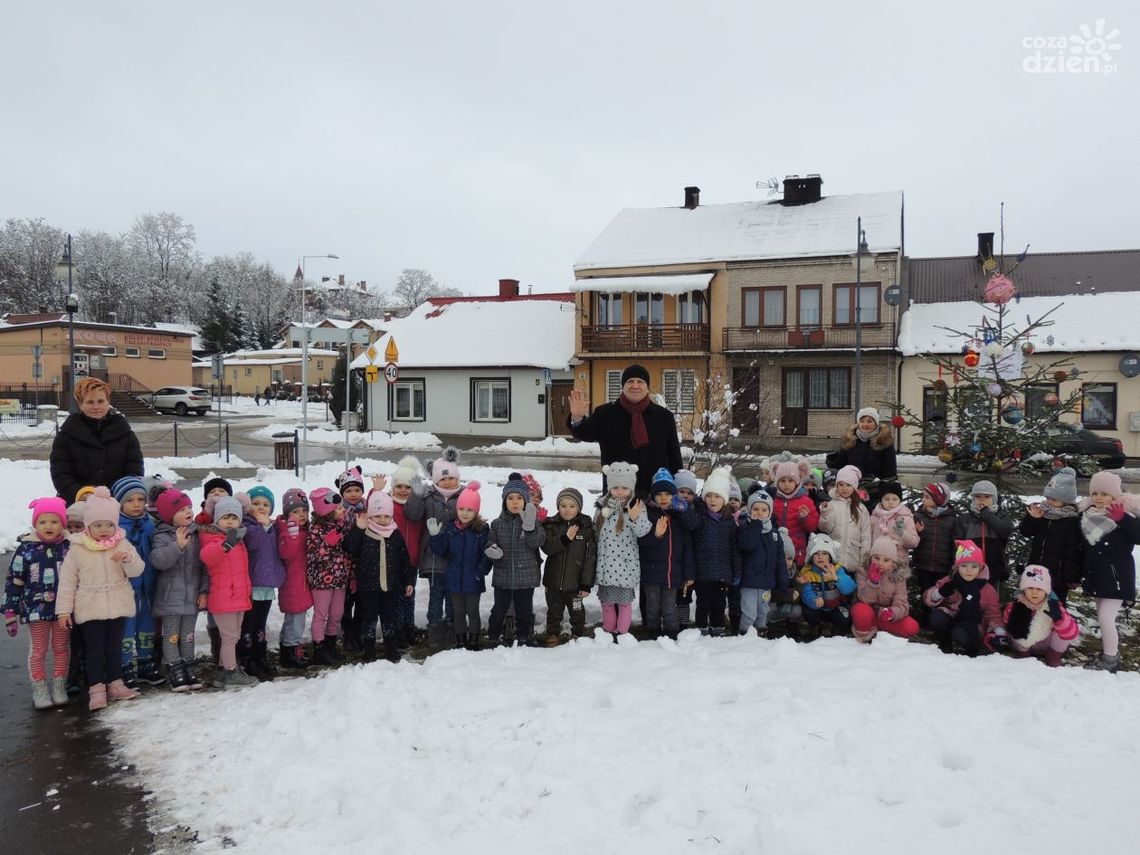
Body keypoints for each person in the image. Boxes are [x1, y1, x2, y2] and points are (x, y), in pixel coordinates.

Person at [56, 487, 146, 711]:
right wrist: (64, 611)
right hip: (90, 606)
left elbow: (138, 570)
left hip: (117, 603)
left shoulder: (122, 543)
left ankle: (116, 683)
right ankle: (96, 688)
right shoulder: (78, 549)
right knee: (95, 649)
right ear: (88, 526)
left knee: (114, 647)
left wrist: (127, 559)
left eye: (109, 525)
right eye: (98, 525)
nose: (104, 530)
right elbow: (67, 581)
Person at [567, 364, 683, 497]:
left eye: (640, 381)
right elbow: (584, 433)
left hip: (657, 495)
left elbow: (674, 456)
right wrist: (577, 417)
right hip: (618, 493)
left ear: (647, 387)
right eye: (630, 381)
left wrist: (679, 487)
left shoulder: (664, 416)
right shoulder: (605, 413)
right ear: (623, 385)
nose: (635, 385)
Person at [5, 497, 71, 709]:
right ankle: (40, 688)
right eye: (43, 522)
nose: (48, 526)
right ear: (35, 524)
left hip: (63, 609)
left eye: (54, 521)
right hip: (36, 610)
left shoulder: (69, 546)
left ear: (63, 523)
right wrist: (10, 612)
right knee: (39, 649)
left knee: (61, 647)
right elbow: (14, 581)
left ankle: (60, 685)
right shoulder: (26, 549)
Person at [1079, 471, 1140, 673]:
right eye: (1095, 493)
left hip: (1118, 579)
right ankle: (1110, 649)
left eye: (1105, 493)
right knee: (1102, 617)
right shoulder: (1086, 516)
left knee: (1106, 618)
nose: (1099, 498)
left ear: (1115, 496)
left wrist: (1123, 519)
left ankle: (1111, 659)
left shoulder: (1126, 515)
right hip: (1096, 578)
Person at [344, 490, 414, 662]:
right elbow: (349, 547)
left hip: (391, 586)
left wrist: (408, 581)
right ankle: (369, 650)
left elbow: (404, 560)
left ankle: (390, 647)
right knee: (369, 618)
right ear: (370, 516)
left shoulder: (395, 534)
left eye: (386, 516)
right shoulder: (365, 533)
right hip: (369, 587)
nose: (382, 520)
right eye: (377, 516)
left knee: (388, 617)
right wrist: (357, 529)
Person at [50, 377, 144, 505]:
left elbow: (134, 471)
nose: (96, 406)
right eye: (90, 402)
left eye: (100, 401)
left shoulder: (125, 434)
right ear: (80, 404)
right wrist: (81, 494)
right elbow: (60, 474)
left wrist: (119, 494)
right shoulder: (66, 436)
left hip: (117, 502)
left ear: (108, 401)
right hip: (79, 504)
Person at [150, 489, 207, 692]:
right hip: (170, 600)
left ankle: (189, 668)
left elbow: (204, 567)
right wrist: (177, 546)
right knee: (172, 636)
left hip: (191, 598)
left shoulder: (197, 534)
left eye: (189, 507)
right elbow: (158, 561)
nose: (188, 511)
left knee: (188, 635)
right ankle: (175, 669)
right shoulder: (162, 536)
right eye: (181, 509)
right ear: (168, 515)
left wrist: (203, 592)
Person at [405, 448, 462, 646]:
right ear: (435, 481)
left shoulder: (463, 497)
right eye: (442, 479)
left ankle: (452, 631)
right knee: (436, 597)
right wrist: (416, 496)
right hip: (433, 558)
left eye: (451, 478)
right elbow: (413, 515)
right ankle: (435, 632)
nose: (447, 482)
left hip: (456, 558)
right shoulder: (428, 497)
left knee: (453, 597)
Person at [199, 497, 257, 689]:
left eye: (234, 517)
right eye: (225, 517)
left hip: (238, 597)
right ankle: (231, 673)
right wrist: (225, 546)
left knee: (233, 636)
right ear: (217, 520)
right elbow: (207, 557)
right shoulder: (213, 538)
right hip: (223, 599)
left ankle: (224, 671)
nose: (230, 521)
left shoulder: (239, 540)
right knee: (230, 637)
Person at [426, 482, 491, 650]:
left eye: (469, 510)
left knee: (473, 612)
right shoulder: (451, 528)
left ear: (476, 511)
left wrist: (480, 572)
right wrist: (434, 536)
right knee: (458, 613)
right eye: (462, 509)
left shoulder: (481, 530)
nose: (465, 513)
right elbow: (441, 549)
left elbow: (487, 554)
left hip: (473, 580)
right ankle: (460, 640)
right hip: (454, 579)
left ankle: (474, 640)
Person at [591, 462, 651, 640]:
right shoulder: (602, 507)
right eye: (615, 487)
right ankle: (609, 630)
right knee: (607, 601)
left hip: (626, 565)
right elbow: (595, 531)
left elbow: (643, 531)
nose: (619, 491)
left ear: (631, 488)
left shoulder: (636, 506)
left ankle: (623, 633)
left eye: (624, 487)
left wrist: (634, 518)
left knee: (624, 602)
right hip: (606, 564)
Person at [111, 476, 161, 687]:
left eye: (141, 499)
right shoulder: (115, 526)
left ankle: (145, 663)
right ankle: (124, 666)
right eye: (130, 500)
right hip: (126, 588)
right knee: (126, 630)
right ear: (120, 502)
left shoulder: (150, 523)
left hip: (147, 586)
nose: (136, 504)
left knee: (146, 627)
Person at [484, 475, 545, 646]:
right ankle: (494, 636)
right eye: (510, 498)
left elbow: (538, 542)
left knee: (524, 610)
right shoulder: (497, 524)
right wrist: (492, 549)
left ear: (526, 501)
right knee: (499, 610)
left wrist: (530, 528)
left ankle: (524, 636)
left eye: (519, 498)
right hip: (503, 576)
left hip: (526, 577)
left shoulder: (533, 522)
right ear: (504, 501)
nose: (515, 502)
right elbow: (490, 542)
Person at [924, 540, 1006, 657]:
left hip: (973, 624)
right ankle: (945, 643)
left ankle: (971, 647)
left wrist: (1000, 632)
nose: (969, 570)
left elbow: (993, 614)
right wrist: (940, 593)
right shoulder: (950, 581)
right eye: (964, 566)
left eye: (974, 566)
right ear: (957, 567)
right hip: (951, 618)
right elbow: (929, 598)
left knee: (960, 634)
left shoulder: (987, 589)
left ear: (980, 568)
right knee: (937, 618)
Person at [637, 470, 694, 640]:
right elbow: (642, 542)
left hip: (672, 574)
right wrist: (656, 535)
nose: (663, 498)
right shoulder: (647, 514)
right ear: (653, 497)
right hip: (651, 572)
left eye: (668, 494)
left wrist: (689, 574)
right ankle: (653, 632)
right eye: (659, 494)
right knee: (652, 606)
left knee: (670, 606)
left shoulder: (679, 517)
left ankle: (671, 632)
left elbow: (687, 549)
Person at [239, 486, 286, 679]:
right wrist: (263, 526)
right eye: (256, 503)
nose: (261, 507)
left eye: (266, 504)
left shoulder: (272, 527)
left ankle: (260, 655)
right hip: (252, 584)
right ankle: (247, 658)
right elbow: (255, 543)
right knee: (249, 625)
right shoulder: (248, 525)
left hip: (266, 584)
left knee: (261, 624)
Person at [541, 486, 597, 644]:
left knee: (577, 610)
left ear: (579, 507)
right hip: (553, 582)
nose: (567, 510)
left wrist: (586, 584)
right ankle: (553, 633)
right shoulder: (551, 525)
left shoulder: (585, 527)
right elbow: (547, 548)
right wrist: (565, 538)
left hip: (576, 584)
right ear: (558, 506)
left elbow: (590, 557)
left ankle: (578, 633)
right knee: (554, 610)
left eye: (572, 506)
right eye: (563, 506)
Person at [1019, 468, 1083, 605]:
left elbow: (1073, 550)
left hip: (1057, 576)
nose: (1048, 501)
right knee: (1031, 603)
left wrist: (1071, 576)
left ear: (1066, 501)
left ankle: (1058, 626)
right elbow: (1025, 532)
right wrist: (1032, 518)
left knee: (1055, 606)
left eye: (1054, 499)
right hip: (1036, 570)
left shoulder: (1071, 520)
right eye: (1047, 497)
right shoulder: (1041, 513)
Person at [690, 466, 739, 636]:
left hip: (722, 572)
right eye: (709, 495)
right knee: (703, 603)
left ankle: (718, 628)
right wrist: (692, 505)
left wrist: (735, 571)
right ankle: (701, 629)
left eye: (717, 496)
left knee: (719, 604)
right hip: (702, 571)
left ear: (724, 499)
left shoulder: (729, 521)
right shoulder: (699, 516)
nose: (712, 500)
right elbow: (690, 525)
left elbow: (734, 549)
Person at [734, 491, 791, 637]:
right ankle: (744, 632)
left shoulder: (774, 534)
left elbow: (780, 560)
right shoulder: (745, 528)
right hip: (749, 581)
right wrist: (755, 525)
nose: (759, 513)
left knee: (763, 610)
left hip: (766, 582)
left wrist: (783, 581)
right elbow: (747, 545)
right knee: (749, 612)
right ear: (749, 510)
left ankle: (761, 630)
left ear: (769, 512)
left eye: (764, 510)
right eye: (756, 509)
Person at [306, 487, 352, 665]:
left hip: (339, 578)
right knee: (321, 614)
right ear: (328, 512)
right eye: (339, 508)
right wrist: (328, 546)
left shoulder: (340, 525)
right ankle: (319, 648)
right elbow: (314, 556)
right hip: (322, 581)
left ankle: (331, 644)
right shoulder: (316, 531)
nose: (342, 510)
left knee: (337, 613)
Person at [1003, 565, 1079, 667]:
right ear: (1023, 589)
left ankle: (1054, 655)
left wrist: (1060, 619)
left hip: (1047, 644)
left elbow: (1071, 633)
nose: (1034, 592)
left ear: (1046, 591)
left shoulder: (1053, 606)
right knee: (1014, 625)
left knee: (1062, 628)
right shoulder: (1014, 606)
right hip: (1024, 644)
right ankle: (1022, 654)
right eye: (1030, 588)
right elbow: (1006, 625)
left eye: (1039, 589)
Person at [851, 536, 920, 643]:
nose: (880, 563)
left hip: (885, 615)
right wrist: (873, 582)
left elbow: (902, 604)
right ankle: (866, 630)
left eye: (886, 560)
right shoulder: (863, 571)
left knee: (911, 627)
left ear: (893, 562)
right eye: (876, 558)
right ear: (871, 558)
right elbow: (864, 599)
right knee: (861, 611)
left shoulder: (899, 577)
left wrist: (892, 613)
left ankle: (883, 630)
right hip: (868, 610)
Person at [824, 407, 898, 506]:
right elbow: (840, 466)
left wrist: (882, 485)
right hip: (852, 489)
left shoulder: (884, 442)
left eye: (869, 421)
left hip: (875, 490)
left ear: (876, 423)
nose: (865, 424)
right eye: (862, 421)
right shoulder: (851, 440)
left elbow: (890, 471)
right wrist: (832, 460)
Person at [389, 457, 425, 646]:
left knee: (409, 595)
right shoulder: (387, 505)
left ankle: (408, 627)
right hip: (393, 561)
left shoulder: (418, 507)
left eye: (408, 487)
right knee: (396, 597)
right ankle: (397, 629)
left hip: (412, 559)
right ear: (393, 487)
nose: (403, 490)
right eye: (399, 486)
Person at [953, 480, 1014, 592]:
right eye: (978, 496)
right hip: (970, 570)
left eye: (987, 496)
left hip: (993, 569)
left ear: (994, 499)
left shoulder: (1000, 516)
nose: (982, 499)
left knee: (990, 599)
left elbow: (1006, 530)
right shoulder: (965, 519)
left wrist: (987, 515)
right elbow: (957, 543)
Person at [275, 488, 312, 669]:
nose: (301, 515)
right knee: (296, 620)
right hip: (293, 585)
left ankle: (286, 648)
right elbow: (286, 554)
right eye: (296, 512)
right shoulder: (286, 532)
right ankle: (291, 649)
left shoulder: (305, 530)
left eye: (304, 511)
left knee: (293, 619)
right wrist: (292, 535)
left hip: (301, 583)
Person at [912, 482, 958, 625]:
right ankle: (926, 619)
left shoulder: (952, 519)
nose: (923, 499)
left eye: (927, 497)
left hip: (943, 565)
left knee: (940, 594)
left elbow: (954, 542)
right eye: (923, 496)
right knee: (925, 591)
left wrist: (954, 562)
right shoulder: (919, 515)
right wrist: (920, 532)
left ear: (938, 499)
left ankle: (938, 620)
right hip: (923, 563)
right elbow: (912, 539)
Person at [797, 533, 855, 639]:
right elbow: (806, 592)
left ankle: (835, 628)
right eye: (816, 553)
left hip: (835, 607)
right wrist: (813, 600)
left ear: (830, 556)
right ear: (811, 556)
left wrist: (836, 579)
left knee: (845, 619)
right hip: (817, 607)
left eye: (824, 553)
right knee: (808, 612)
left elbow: (850, 588)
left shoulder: (837, 569)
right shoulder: (807, 572)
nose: (820, 557)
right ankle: (815, 627)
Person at [818, 465, 871, 573]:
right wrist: (825, 513)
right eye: (841, 484)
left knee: (850, 588)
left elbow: (866, 536)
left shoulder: (861, 509)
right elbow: (825, 528)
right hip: (834, 560)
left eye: (848, 485)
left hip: (854, 560)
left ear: (854, 486)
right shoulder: (831, 504)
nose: (844, 488)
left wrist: (864, 561)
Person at [771, 459, 819, 568]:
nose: (786, 484)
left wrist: (805, 518)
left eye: (790, 481)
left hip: (797, 548)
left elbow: (812, 527)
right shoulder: (773, 500)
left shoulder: (806, 501)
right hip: (776, 546)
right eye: (782, 481)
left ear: (797, 481)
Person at [869, 481, 919, 565]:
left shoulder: (905, 517)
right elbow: (868, 539)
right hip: (877, 562)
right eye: (887, 499)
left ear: (900, 500)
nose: (891, 502)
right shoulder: (875, 517)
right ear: (881, 500)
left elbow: (914, 543)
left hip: (897, 564)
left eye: (894, 499)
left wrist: (903, 533)